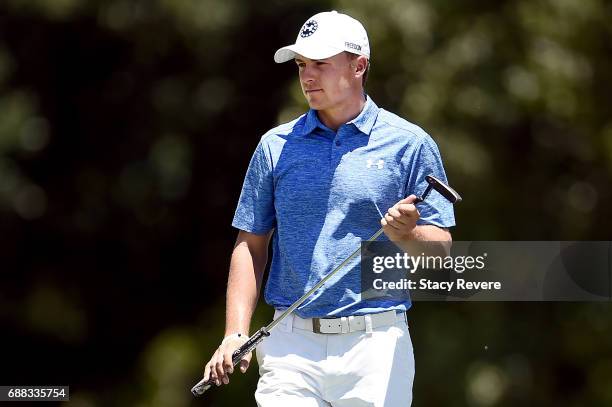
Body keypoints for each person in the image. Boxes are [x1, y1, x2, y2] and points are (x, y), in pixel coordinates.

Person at [202, 10, 455, 406]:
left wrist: (407, 234)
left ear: (359, 66)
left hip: (375, 346)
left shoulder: (410, 145)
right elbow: (251, 244)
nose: (307, 76)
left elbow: (441, 252)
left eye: (320, 63)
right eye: (302, 64)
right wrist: (235, 331)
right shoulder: (276, 146)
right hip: (289, 344)